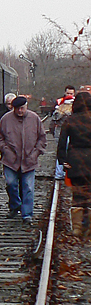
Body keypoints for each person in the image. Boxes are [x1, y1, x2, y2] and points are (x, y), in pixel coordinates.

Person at [0, 96, 48, 225]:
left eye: (22, 108)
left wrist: (36, 152)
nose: (20, 111)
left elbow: (42, 137)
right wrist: (5, 150)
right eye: (17, 109)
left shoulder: (34, 119)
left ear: (26, 106)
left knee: (28, 187)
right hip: (10, 160)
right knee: (11, 183)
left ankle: (27, 214)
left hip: (29, 159)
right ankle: (15, 205)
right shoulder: (6, 119)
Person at [57, 90, 91, 236]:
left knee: (77, 194)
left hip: (75, 161)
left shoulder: (70, 120)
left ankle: (77, 228)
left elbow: (62, 142)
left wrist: (62, 160)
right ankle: (88, 226)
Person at [53, 85, 77, 178]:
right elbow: (54, 117)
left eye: (71, 93)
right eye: (68, 93)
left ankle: (69, 172)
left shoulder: (76, 104)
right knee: (61, 151)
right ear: (65, 93)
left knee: (70, 151)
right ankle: (59, 173)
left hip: (72, 133)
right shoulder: (59, 102)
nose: (69, 95)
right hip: (60, 131)